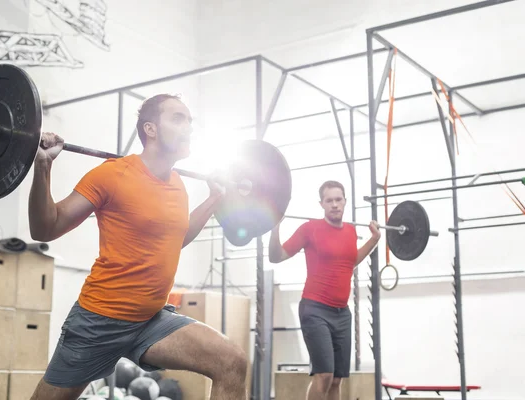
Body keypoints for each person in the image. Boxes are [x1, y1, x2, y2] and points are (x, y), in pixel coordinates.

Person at [28, 94, 249, 400]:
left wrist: (213, 200)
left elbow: (176, 239)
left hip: (151, 321)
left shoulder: (177, 185)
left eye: (190, 120)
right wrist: (43, 166)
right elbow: (45, 228)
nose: (188, 127)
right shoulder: (112, 174)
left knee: (232, 362)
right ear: (150, 129)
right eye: (178, 118)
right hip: (99, 321)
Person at [268, 180, 380, 400]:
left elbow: (350, 261)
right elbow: (276, 256)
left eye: (338, 199)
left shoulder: (350, 230)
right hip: (315, 310)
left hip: (342, 314)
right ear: (321, 204)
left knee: (337, 379)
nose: (335, 204)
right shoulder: (310, 229)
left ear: (345, 201)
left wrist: (374, 240)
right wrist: (275, 227)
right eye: (329, 200)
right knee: (325, 376)